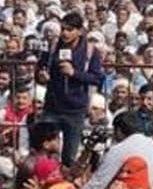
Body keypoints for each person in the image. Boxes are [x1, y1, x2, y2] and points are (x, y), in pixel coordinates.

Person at [39, 11, 105, 165]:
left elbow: (96, 78)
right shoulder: (53, 47)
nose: (65, 33)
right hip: (52, 107)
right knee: (45, 152)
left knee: (69, 156)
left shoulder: (90, 51)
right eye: (63, 29)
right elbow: (40, 67)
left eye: (70, 30)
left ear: (80, 31)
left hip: (74, 111)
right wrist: (41, 76)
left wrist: (74, 73)